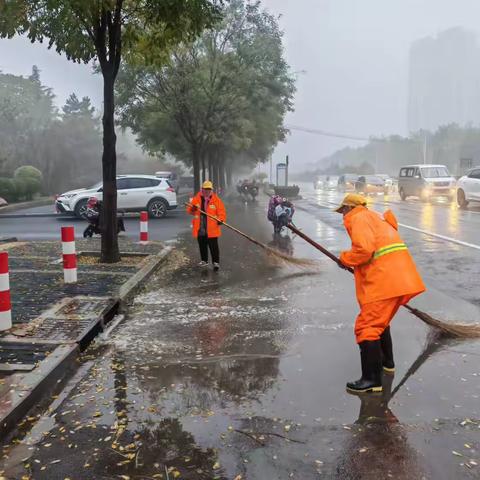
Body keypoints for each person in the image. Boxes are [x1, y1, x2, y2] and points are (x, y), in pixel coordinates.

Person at [335, 193, 425, 394]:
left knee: (367, 326)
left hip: (386, 281)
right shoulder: (375, 218)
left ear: (350, 208)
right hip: (397, 279)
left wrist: (345, 259)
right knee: (380, 322)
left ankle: (371, 380)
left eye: (343, 211)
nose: (342, 216)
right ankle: (387, 363)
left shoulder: (358, 218)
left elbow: (364, 249)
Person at [187, 181, 226, 271]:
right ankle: (204, 260)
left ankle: (216, 262)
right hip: (200, 226)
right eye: (205, 189)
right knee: (202, 244)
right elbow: (189, 210)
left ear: (211, 190)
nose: (207, 191)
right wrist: (192, 208)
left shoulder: (216, 200)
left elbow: (222, 212)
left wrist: (221, 219)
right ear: (202, 189)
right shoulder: (196, 199)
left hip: (212, 228)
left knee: (214, 246)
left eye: (209, 189)